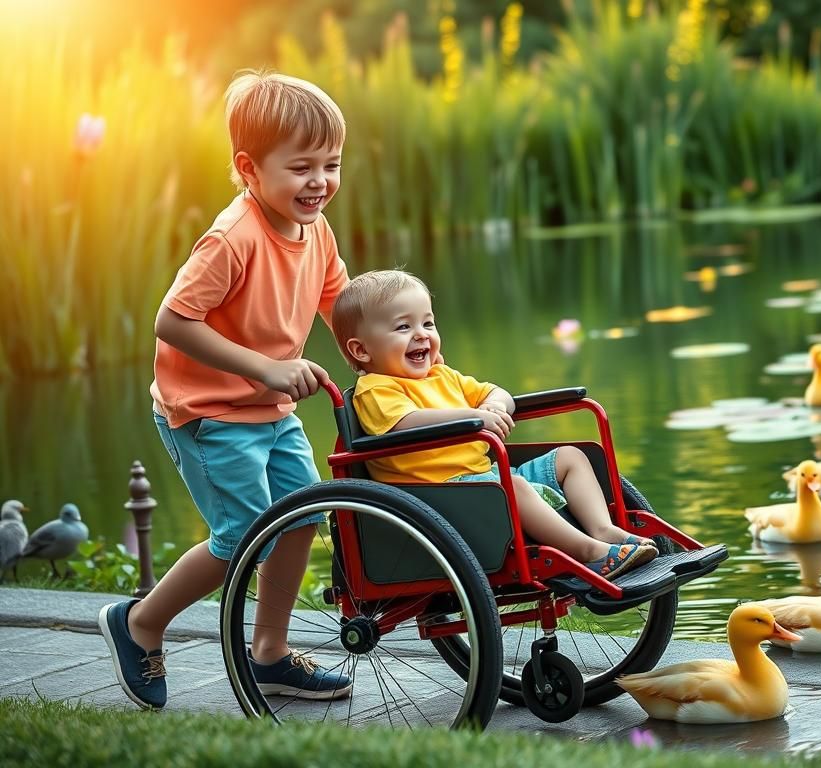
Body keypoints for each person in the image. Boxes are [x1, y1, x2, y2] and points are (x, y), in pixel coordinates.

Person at [98, 71, 352, 710]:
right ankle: (139, 623)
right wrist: (265, 369)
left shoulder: (315, 230)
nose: (320, 182)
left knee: (302, 517)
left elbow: (341, 306)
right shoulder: (233, 238)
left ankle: (269, 655)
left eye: (331, 165)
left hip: (270, 408)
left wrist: (394, 354)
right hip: (209, 412)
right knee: (242, 536)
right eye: (301, 167)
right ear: (248, 168)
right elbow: (172, 321)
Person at [331, 270, 658, 580]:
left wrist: (493, 407)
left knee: (570, 457)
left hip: (484, 480)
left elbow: (497, 393)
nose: (421, 334)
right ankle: (589, 552)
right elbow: (405, 423)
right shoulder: (375, 389)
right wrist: (470, 417)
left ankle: (603, 529)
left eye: (428, 323)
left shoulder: (442, 375)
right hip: (440, 494)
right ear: (361, 350)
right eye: (403, 327)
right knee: (511, 488)